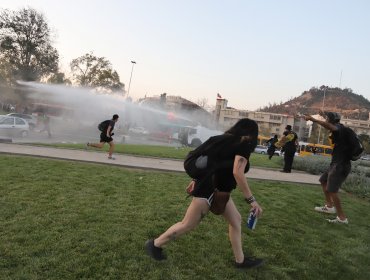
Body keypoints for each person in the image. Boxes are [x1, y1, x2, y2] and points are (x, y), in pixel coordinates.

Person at [145, 118, 264, 269]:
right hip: (209, 190)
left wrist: (196, 179)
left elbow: (209, 162)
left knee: (236, 220)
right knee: (187, 224)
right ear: (251, 134)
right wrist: (252, 200)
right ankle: (155, 244)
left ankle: (240, 261)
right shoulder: (243, 144)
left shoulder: (222, 140)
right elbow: (238, 173)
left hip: (220, 190)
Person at [304, 111, 350, 224]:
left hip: (340, 165)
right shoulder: (340, 128)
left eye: (326, 119)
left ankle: (342, 218)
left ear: (331, 121)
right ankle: (329, 206)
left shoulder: (339, 129)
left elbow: (331, 126)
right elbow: (330, 125)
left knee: (333, 190)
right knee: (323, 180)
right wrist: (323, 114)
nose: (325, 121)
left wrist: (314, 120)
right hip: (336, 164)